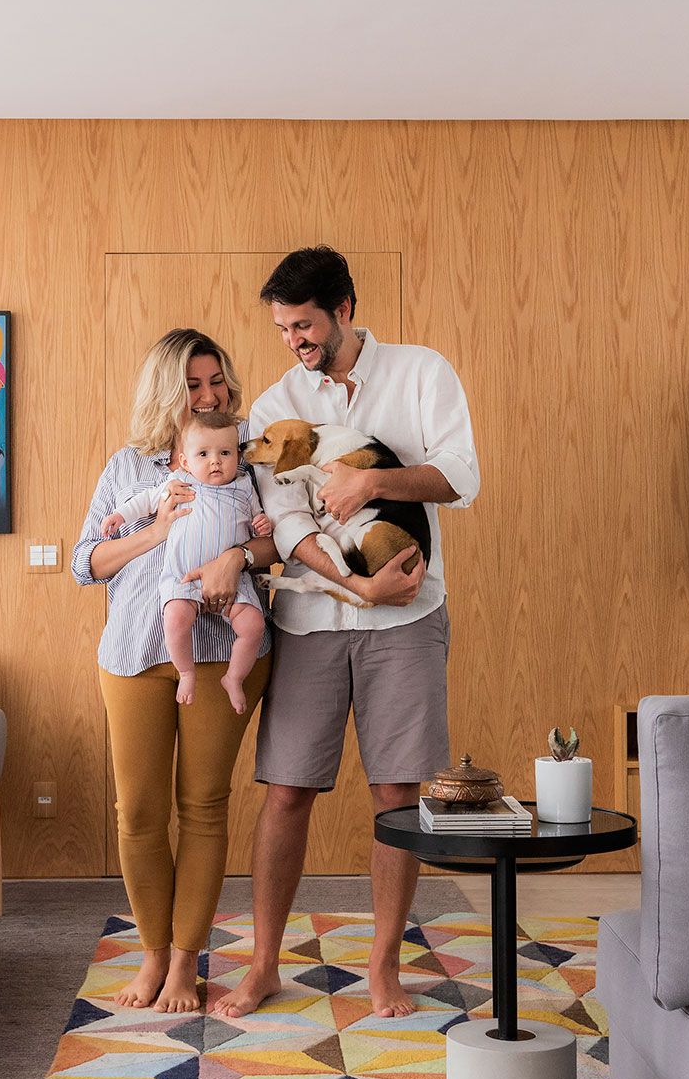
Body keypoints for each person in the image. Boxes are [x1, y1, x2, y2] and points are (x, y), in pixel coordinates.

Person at [210, 246, 480, 1021]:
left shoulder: (422, 373)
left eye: (304, 325)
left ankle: (383, 967)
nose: (293, 340)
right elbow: (287, 520)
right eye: (283, 328)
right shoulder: (275, 404)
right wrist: (355, 584)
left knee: (397, 793)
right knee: (287, 789)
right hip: (312, 616)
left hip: (409, 615)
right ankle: (263, 966)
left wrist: (372, 481)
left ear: (345, 310)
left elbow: (462, 476)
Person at [72, 329, 283, 1013]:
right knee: (137, 813)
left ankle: (186, 963)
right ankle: (153, 953)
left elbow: (281, 536)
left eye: (217, 381)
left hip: (223, 653)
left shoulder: (246, 455)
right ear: (166, 391)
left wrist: (238, 556)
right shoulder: (128, 467)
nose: (210, 395)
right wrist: (157, 533)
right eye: (194, 384)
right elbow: (85, 562)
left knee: (204, 807)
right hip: (134, 654)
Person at [101, 411, 274, 714]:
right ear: (185, 461)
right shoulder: (180, 482)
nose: (215, 462)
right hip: (183, 577)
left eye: (225, 453)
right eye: (203, 454)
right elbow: (146, 500)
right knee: (175, 620)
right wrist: (120, 515)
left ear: (237, 456)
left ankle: (234, 677)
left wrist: (262, 524)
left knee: (253, 626)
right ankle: (187, 672)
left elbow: (258, 519)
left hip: (233, 583)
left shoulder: (244, 486)